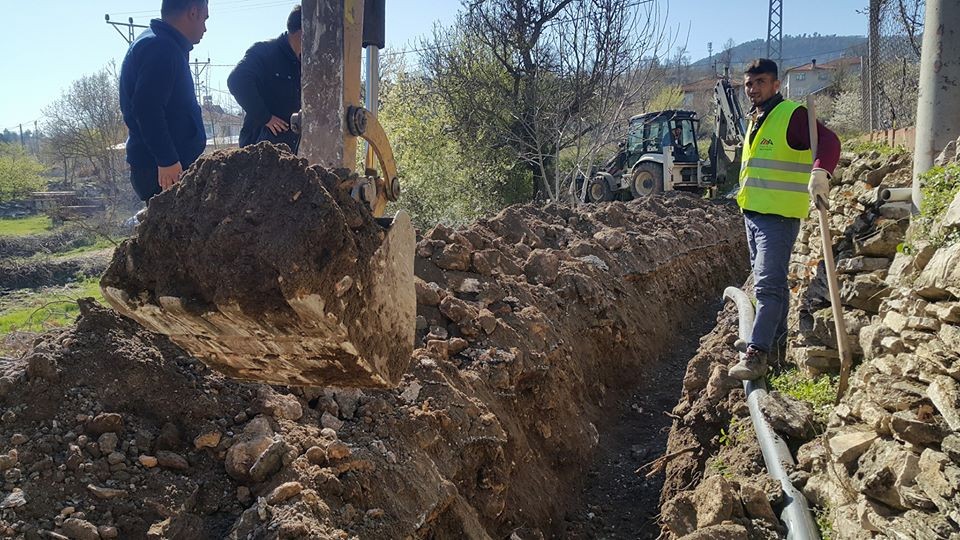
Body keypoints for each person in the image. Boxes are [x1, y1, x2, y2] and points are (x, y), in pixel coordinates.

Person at [728, 58, 841, 381]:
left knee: (767, 287)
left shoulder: (791, 115)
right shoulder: (758, 118)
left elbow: (830, 141)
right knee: (773, 285)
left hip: (777, 218)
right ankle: (775, 350)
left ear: (776, 84)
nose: (753, 89)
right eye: (749, 84)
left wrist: (821, 171)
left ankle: (757, 354)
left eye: (760, 82)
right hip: (754, 215)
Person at [119, 0, 209, 202]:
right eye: (204, 19)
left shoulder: (162, 43)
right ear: (193, 12)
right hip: (163, 170)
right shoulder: (161, 47)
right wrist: (167, 159)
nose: (205, 28)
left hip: (166, 166)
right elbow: (146, 107)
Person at [228, 5, 303, 153]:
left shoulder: (306, 65)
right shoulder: (265, 52)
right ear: (303, 33)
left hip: (290, 152)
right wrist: (266, 117)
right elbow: (237, 80)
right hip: (260, 151)